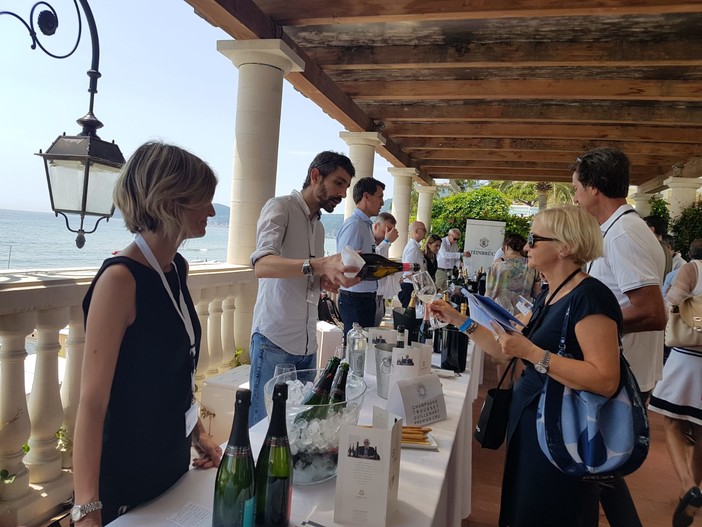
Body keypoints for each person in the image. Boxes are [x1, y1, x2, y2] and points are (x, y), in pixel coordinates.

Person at [429, 205, 623, 527]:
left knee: (551, 512)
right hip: (534, 420)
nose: (526, 246)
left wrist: (535, 354)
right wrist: (459, 320)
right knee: (523, 508)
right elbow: (506, 350)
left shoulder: (591, 298)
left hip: (565, 431)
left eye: (534, 238)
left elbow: (605, 379)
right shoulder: (550, 293)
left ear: (565, 246)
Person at [73, 142, 223, 525]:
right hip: (127, 475)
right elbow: (92, 403)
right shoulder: (120, 280)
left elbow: (174, 369)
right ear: (169, 201)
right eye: (203, 200)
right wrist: (86, 507)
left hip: (171, 463)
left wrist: (198, 434)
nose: (210, 210)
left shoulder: (176, 268)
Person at [573, 146, 666, 527]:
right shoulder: (616, 230)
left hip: (620, 373)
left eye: (577, 187)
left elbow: (651, 311)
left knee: (601, 468)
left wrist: (585, 326)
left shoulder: (624, 234)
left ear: (595, 188)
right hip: (619, 367)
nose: (575, 196)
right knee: (601, 470)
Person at [249, 151, 361, 426]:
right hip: (274, 338)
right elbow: (262, 265)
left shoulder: (319, 227)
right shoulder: (280, 208)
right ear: (315, 176)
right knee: (263, 427)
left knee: (299, 430)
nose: (343, 194)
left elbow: (307, 273)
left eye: (346, 187)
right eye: (338, 183)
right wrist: (319, 264)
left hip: (307, 343)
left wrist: (328, 280)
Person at [648, 239, 702, 527]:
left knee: (673, 423)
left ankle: (686, 486)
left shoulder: (693, 270)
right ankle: (696, 486)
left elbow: (672, 300)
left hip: (686, 358)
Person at [336, 177, 386, 336]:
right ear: (366, 196)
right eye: (380, 196)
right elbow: (345, 264)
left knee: (363, 349)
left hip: (364, 299)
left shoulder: (365, 225)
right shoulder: (355, 225)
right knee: (355, 350)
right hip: (355, 300)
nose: (382, 202)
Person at [372, 211, 400, 326]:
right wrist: (387, 241)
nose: (388, 234)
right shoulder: (377, 243)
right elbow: (374, 258)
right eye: (386, 230)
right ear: (375, 226)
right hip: (369, 295)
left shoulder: (384, 245)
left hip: (380, 296)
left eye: (391, 231)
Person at [399, 221, 427, 308]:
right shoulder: (413, 249)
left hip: (412, 286)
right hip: (410, 288)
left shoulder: (415, 247)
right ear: (416, 231)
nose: (426, 232)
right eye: (424, 230)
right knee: (410, 317)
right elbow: (408, 272)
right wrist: (422, 284)